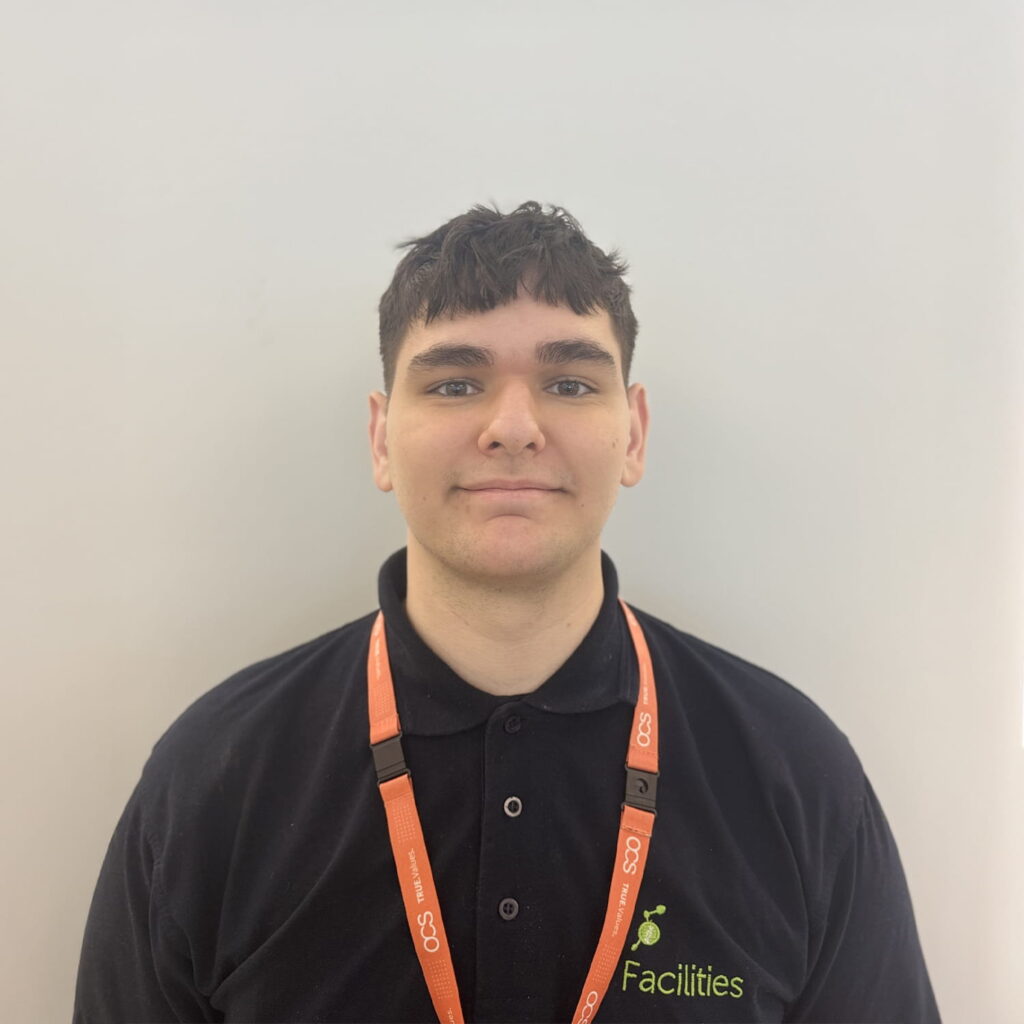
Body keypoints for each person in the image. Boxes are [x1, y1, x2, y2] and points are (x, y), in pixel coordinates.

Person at [73, 201, 941, 1023]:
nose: (515, 426)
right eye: (455, 384)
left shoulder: (794, 774)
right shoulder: (214, 777)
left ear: (634, 434)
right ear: (381, 438)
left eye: (569, 382)